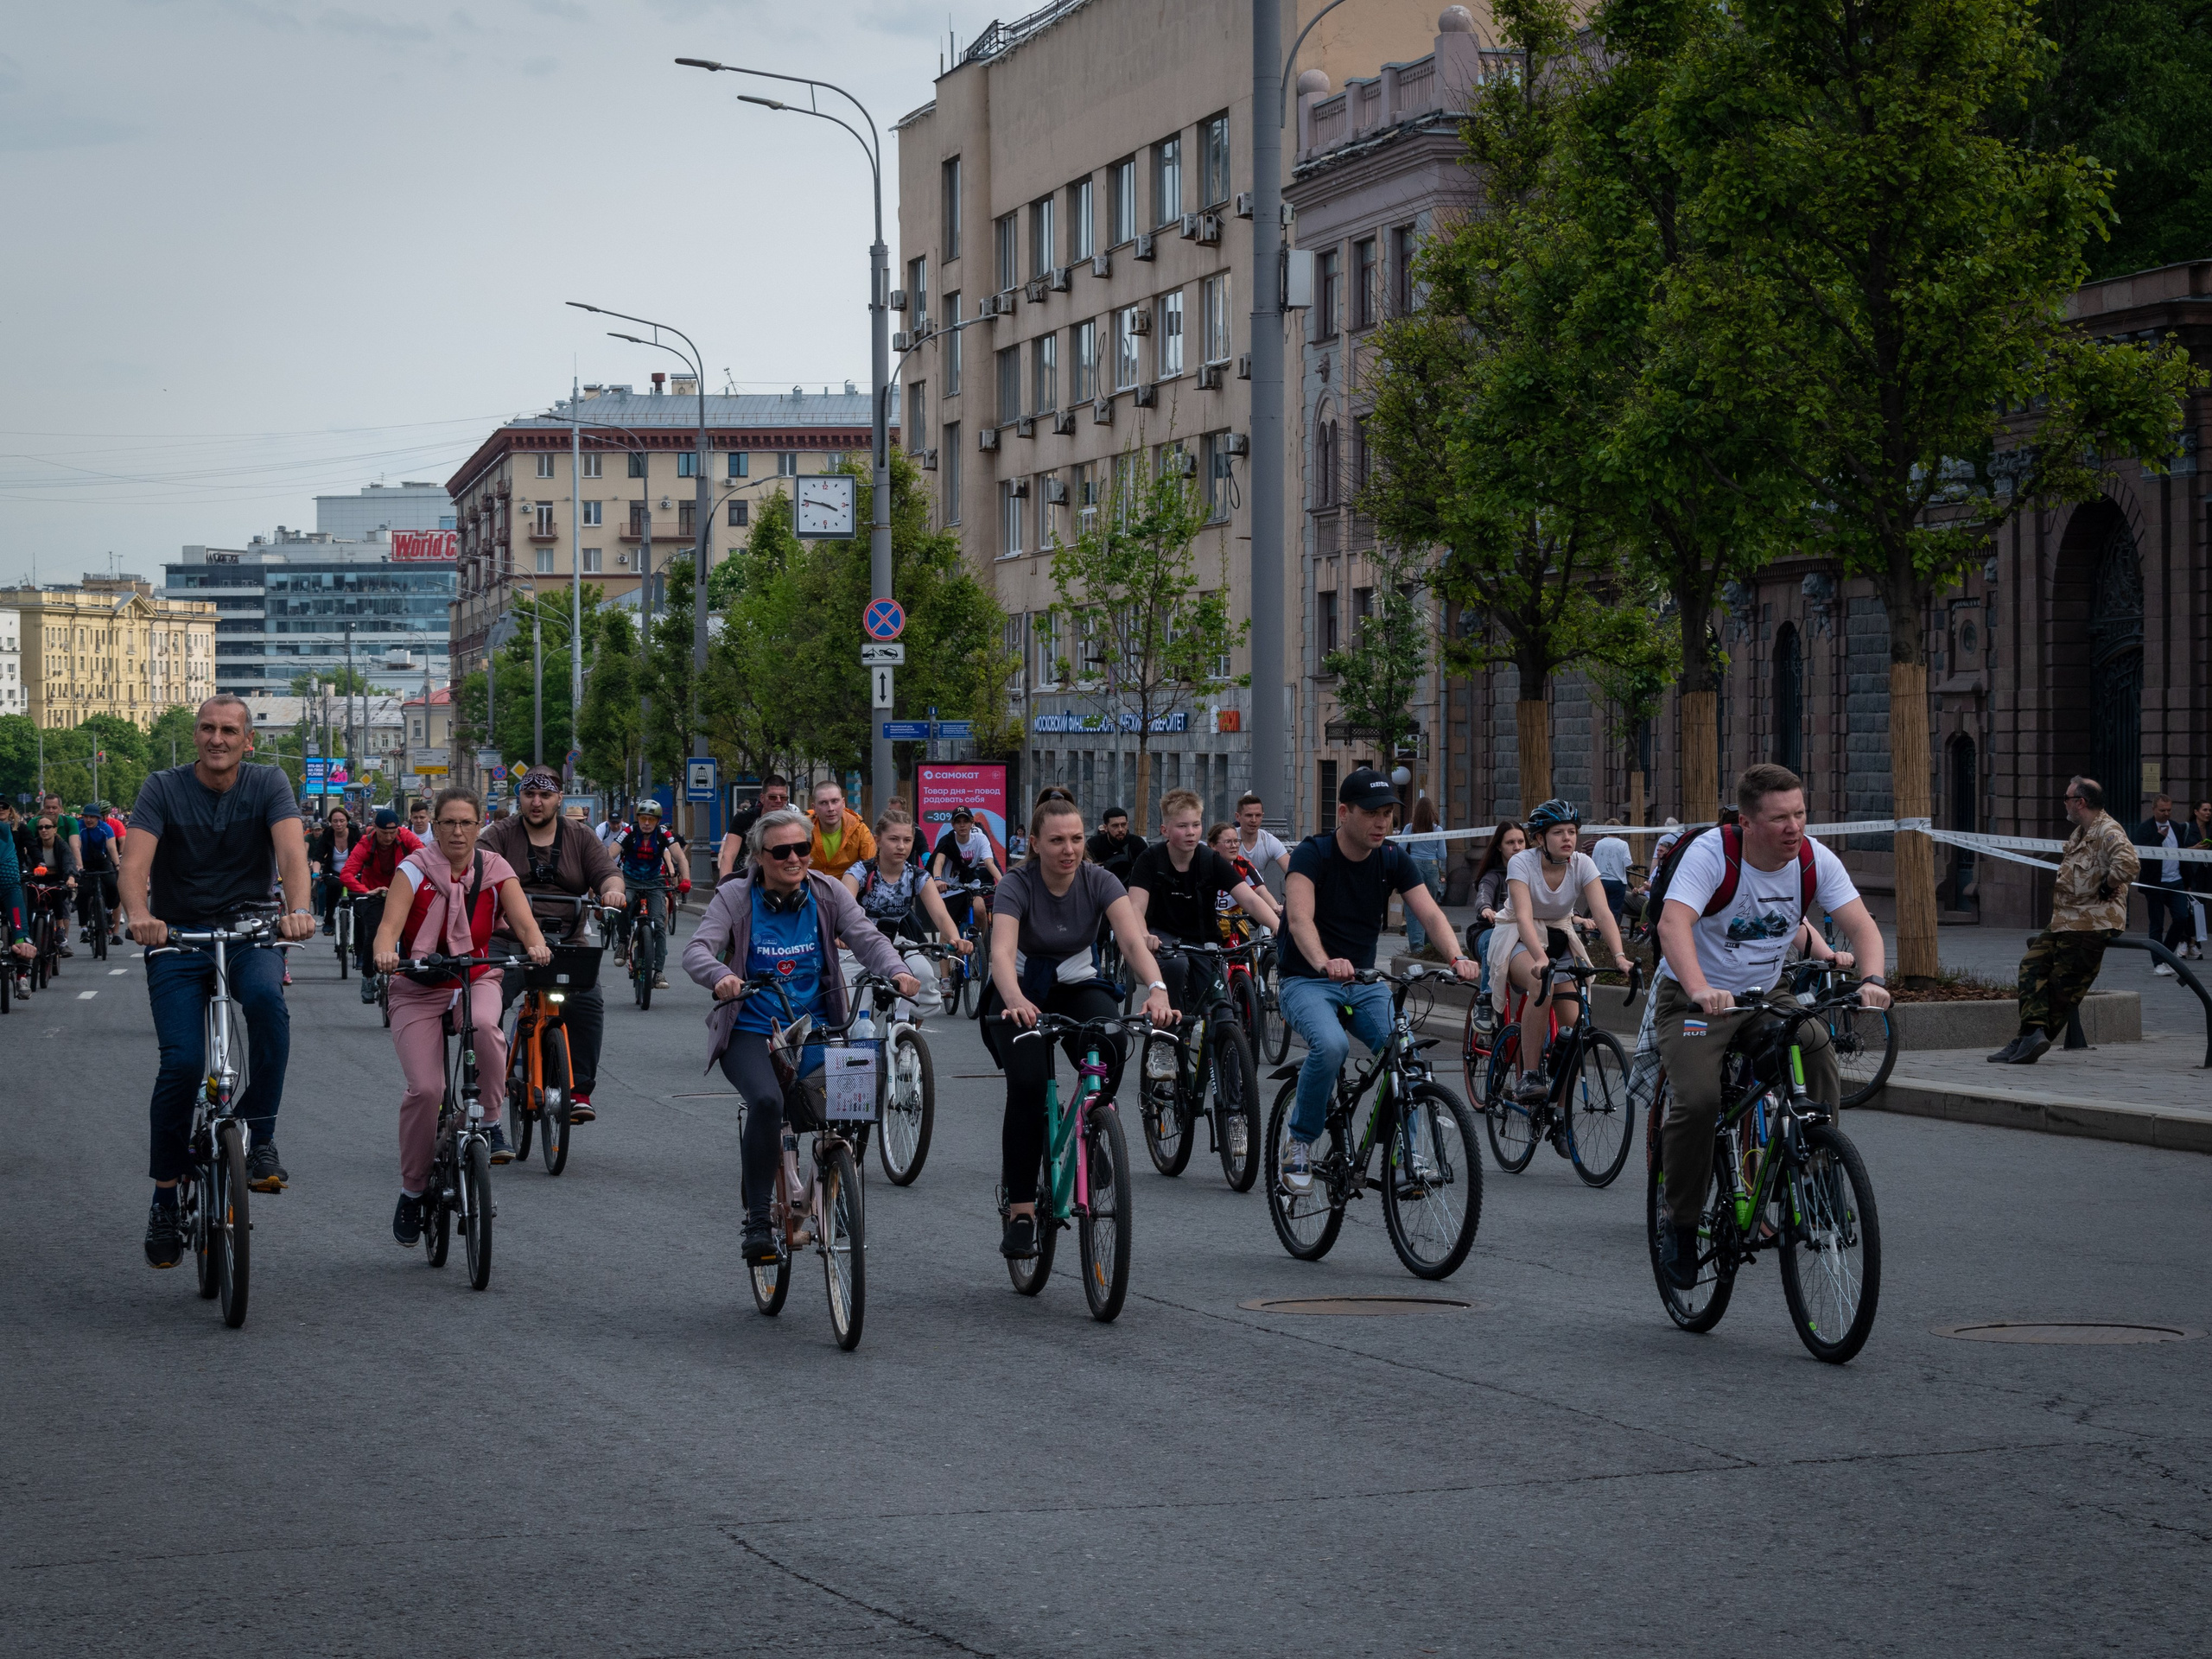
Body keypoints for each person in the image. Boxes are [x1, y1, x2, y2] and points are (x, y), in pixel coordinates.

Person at [1652, 763, 1888, 1288]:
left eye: (1800, 814)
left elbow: (1862, 925)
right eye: (1780, 818)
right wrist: (1698, 988)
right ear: (1747, 821)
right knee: (1697, 1101)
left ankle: (1820, 1178)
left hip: (1766, 995)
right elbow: (1674, 924)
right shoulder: (1712, 854)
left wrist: (1872, 977)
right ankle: (1681, 1223)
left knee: (1817, 1046)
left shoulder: (1811, 858)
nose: (1794, 828)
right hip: (1697, 1002)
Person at [120, 695, 315, 1268]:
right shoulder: (162, 786)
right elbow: (135, 866)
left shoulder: (268, 783)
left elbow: (291, 855)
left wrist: (298, 910)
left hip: (252, 930)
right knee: (181, 1062)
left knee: (268, 1008)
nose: (217, 739)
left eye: (229, 730)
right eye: (207, 728)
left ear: (246, 740)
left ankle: (260, 1135)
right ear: (195, 735)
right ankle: (163, 1198)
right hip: (176, 937)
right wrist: (139, 915)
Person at [683, 805, 918, 1264]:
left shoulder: (827, 892)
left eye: (802, 849)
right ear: (759, 857)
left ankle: (839, 1183)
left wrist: (897, 970)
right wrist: (718, 976)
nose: (794, 859)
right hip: (752, 1031)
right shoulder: (735, 896)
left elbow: (867, 937)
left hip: (817, 1028)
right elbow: (697, 949)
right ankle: (756, 1219)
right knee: (768, 1103)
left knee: (853, 1103)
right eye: (782, 851)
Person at [983, 791, 1176, 1260]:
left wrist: (1156, 988)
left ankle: (1091, 1123)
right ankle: (1023, 1211)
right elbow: (1002, 954)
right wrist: (1015, 1000)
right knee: (1029, 1086)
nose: (1068, 850)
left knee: (1110, 1045)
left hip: (1076, 982)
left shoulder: (1100, 880)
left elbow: (1132, 942)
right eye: (1056, 841)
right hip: (1019, 990)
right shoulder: (1016, 883)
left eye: (1074, 839)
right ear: (1034, 843)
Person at [1277, 769, 1480, 1192]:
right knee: (1331, 1046)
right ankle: (1299, 1142)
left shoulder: (1392, 858)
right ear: (1345, 812)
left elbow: (1430, 914)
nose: (1382, 823)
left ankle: (1408, 1157)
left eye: (1388, 814)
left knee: (1404, 1053)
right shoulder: (1313, 855)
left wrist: (1458, 957)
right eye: (1372, 813)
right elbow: (1298, 919)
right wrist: (1323, 961)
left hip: (1365, 982)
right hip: (1307, 980)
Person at [372, 787, 551, 1235]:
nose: (457, 831)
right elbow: (388, 928)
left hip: (474, 977)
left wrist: (536, 945)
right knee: (425, 1091)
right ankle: (413, 1190)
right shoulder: (412, 870)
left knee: (486, 1027)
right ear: (434, 826)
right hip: (416, 985)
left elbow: (524, 920)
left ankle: (490, 1121)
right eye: (448, 822)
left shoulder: (494, 868)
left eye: (466, 823)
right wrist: (385, 954)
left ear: (479, 827)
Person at [482, 766, 625, 1123]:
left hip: (567, 941)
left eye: (545, 795)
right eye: (529, 795)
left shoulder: (580, 836)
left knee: (588, 1004)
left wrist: (612, 890)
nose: (536, 802)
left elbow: (608, 871)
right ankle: (489, 1083)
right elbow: (476, 866)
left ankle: (578, 1091)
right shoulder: (500, 834)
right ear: (520, 798)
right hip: (509, 940)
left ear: (559, 798)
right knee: (485, 1003)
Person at [1988, 775, 2138, 1065]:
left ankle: (2027, 1039)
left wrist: (2109, 884)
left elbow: (2129, 862)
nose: (2064, 804)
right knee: (2031, 965)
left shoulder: (2108, 830)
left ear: (2080, 802)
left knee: (2062, 987)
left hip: (2092, 924)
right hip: (2066, 920)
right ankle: (2030, 1036)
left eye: (2068, 799)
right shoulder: (2081, 832)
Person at [1501, 801, 1630, 1105]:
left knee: (1576, 1032)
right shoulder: (1521, 863)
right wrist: (1541, 958)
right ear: (1539, 839)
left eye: (1571, 832)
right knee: (1540, 984)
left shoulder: (1582, 864)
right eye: (1558, 832)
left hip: (1559, 936)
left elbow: (1603, 912)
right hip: (1519, 937)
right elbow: (1522, 916)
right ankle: (1529, 1075)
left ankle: (1559, 1113)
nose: (1567, 839)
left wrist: (1619, 956)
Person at [1128, 790, 1277, 1026]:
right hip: (1164, 936)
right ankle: (1165, 1034)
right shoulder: (1150, 860)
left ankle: (1221, 1044)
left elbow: (1249, 898)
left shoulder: (1210, 859)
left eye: (1196, 825)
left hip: (1204, 938)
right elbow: (1135, 907)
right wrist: (1145, 935)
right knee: (1177, 964)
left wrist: (1278, 926)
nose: (1191, 832)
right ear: (1165, 830)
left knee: (1221, 1012)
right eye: (1182, 826)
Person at [842, 807, 974, 1018]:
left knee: (925, 981)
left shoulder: (918, 876)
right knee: (854, 1008)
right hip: (858, 944)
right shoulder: (860, 871)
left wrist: (957, 940)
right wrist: (841, 933)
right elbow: (845, 907)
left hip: (897, 942)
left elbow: (940, 915)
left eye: (907, 840)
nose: (901, 846)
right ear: (878, 840)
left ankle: (906, 1038)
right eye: (893, 839)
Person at [340, 807, 426, 1001]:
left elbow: (427, 860)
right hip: (375, 893)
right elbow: (346, 874)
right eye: (384, 833)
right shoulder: (366, 843)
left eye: (392, 832)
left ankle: (409, 975)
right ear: (375, 829)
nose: (388, 837)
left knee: (410, 932)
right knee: (374, 932)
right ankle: (368, 977)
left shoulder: (407, 838)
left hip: (402, 890)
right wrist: (366, 891)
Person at [615, 799, 687, 988]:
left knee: (659, 920)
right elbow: (609, 853)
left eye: (651, 819)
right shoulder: (629, 832)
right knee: (623, 902)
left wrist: (686, 879)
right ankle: (623, 942)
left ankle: (658, 972)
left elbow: (680, 856)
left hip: (654, 880)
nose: (647, 823)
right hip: (629, 879)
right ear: (637, 818)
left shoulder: (664, 834)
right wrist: (604, 877)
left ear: (657, 821)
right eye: (643, 818)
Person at [1461, 820, 1526, 1019]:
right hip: (1489, 932)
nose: (1517, 847)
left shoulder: (1534, 874)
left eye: (1521, 842)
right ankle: (1485, 1001)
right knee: (1494, 940)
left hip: (1521, 935)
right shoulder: (1493, 876)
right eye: (1510, 843)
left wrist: (1574, 916)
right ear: (1499, 846)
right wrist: (1486, 909)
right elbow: (1483, 894)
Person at [2133, 794, 2190, 972]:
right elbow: (2142, 856)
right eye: (2162, 810)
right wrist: (2158, 838)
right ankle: (2158, 963)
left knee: (2182, 917)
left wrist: (2188, 881)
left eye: (2169, 810)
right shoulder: (2144, 829)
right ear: (2153, 810)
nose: (2166, 814)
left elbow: (2182, 854)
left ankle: (2167, 954)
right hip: (2156, 884)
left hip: (2176, 881)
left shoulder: (2176, 827)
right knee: (2156, 923)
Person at [1207, 822, 1281, 943]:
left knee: (1246, 955)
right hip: (1208, 922)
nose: (1234, 846)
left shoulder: (1243, 865)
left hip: (1234, 920)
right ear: (1213, 845)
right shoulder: (1203, 864)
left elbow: (1261, 891)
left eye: (1236, 841)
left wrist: (1275, 907)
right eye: (1228, 842)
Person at [717, 772, 791, 880]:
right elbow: (728, 856)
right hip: (744, 878)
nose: (778, 801)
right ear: (762, 798)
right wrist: (724, 887)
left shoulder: (792, 822)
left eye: (783, 797)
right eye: (772, 797)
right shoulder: (744, 818)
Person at [1401, 795, 1449, 957]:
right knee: (1430, 906)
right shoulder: (1438, 830)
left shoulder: (1410, 828)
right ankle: (1430, 945)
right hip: (1432, 868)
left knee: (1413, 907)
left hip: (1413, 866)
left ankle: (1417, 947)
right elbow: (1442, 855)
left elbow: (1401, 849)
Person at [803, 779, 874, 882]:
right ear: (814, 807)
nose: (830, 808)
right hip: (811, 888)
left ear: (843, 803)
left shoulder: (859, 830)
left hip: (848, 890)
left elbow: (870, 868)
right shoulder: (804, 829)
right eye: (823, 803)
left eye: (835, 801)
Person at [77, 802, 124, 946]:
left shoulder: (106, 829)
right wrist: (78, 866)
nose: (89, 820)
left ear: (99, 818)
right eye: (86, 817)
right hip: (84, 863)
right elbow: (76, 846)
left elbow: (111, 847)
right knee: (83, 892)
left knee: (112, 885)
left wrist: (117, 865)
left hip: (102, 861)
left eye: (93, 817)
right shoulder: (79, 827)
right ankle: (84, 927)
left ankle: (109, 910)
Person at [309, 806, 358, 936]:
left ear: (347, 821)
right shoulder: (328, 835)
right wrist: (316, 872)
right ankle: (328, 922)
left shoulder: (355, 833)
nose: (338, 824)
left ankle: (358, 924)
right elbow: (318, 857)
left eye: (342, 821)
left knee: (358, 899)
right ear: (331, 822)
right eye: (335, 821)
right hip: (333, 873)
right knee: (332, 890)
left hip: (353, 872)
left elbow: (366, 853)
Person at [930, 805, 1002, 893]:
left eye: (966, 821)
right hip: (948, 887)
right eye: (958, 822)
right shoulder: (947, 840)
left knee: (980, 907)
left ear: (972, 822)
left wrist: (1001, 881)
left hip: (970, 883)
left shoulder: (980, 839)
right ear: (953, 824)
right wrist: (937, 879)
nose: (962, 825)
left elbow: (989, 862)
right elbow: (939, 861)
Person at [1234, 791, 1292, 881]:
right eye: (1249, 815)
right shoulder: (1229, 839)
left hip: (1257, 892)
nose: (1254, 820)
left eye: (1258, 815)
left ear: (1262, 816)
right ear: (1238, 817)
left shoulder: (1268, 841)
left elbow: (1291, 871)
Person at [2183, 799, 2212, 961]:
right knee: (2186, 910)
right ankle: (2183, 941)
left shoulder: (2210, 830)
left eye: (2210, 810)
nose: (2208, 813)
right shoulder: (2186, 828)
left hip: (2205, 875)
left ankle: (2192, 943)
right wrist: (2193, 849)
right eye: (2205, 810)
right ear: (2196, 812)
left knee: (2199, 909)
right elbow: (2177, 849)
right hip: (2188, 874)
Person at [1084, 806, 1146, 881]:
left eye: (1123, 825)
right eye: (1115, 826)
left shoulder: (1137, 843)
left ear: (1127, 825)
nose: (1120, 829)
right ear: (1106, 827)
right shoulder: (1093, 845)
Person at [1591, 832, 1632, 929]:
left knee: (1599, 910)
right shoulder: (1623, 844)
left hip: (1601, 880)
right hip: (1617, 881)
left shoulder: (1599, 844)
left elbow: (1593, 861)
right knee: (1614, 911)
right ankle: (1610, 936)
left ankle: (1595, 935)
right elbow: (1627, 863)